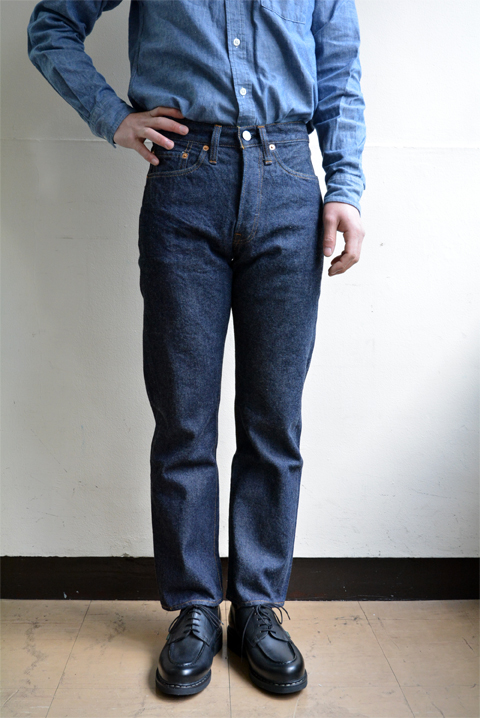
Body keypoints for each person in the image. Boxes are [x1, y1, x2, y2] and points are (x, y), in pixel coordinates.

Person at [27, 0, 366, 698]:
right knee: (184, 419)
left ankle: (259, 607)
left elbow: (339, 70)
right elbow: (51, 23)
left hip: (289, 183)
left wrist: (347, 187)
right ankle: (194, 608)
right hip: (184, 183)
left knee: (274, 418)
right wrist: (111, 116)